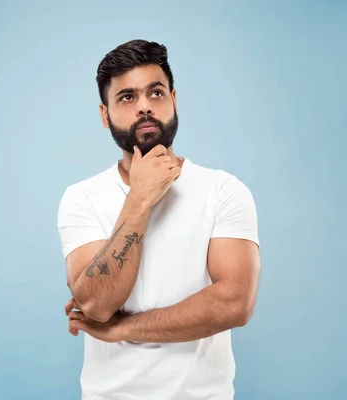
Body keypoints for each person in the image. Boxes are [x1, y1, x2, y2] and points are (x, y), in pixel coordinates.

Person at [56, 39, 261, 400]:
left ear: (174, 100)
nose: (145, 107)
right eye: (127, 97)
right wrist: (140, 198)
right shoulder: (81, 197)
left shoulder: (224, 190)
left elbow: (234, 303)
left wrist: (123, 329)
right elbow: (96, 305)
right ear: (105, 115)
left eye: (156, 93)